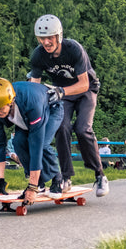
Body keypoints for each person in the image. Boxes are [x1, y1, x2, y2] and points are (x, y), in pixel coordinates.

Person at [27, 14, 109, 197]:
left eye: (50, 38)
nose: (46, 42)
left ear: (59, 36)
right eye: (42, 38)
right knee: (61, 127)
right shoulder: (38, 55)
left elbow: (84, 84)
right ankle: (66, 177)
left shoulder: (74, 49)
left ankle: (100, 174)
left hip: (85, 90)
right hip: (62, 92)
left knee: (82, 129)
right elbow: (34, 85)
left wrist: (61, 92)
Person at [0, 77, 64, 204]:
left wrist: (32, 187)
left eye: (1, 109)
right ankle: (39, 182)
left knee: (42, 145)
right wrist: (1, 180)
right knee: (18, 142)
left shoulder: (31, 102)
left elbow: (36, 145)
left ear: (10, 101)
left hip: (50, 109)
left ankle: (57, 178)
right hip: (24, 117)